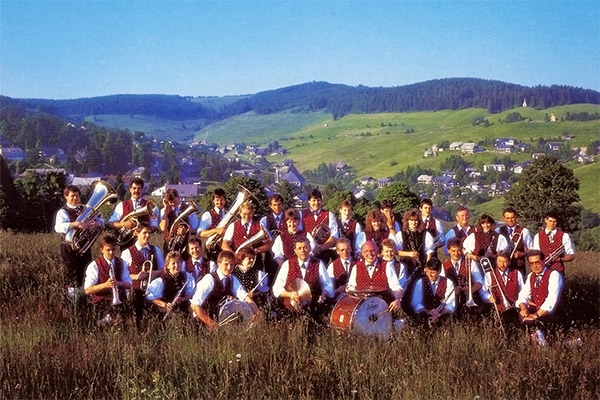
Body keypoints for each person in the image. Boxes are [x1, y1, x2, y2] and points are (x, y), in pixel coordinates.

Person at [54, 184, 105, 296]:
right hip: (68, 248)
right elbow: (58, 227)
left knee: (86, 270)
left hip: (84, 247)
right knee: (72, 272)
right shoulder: (63, 212)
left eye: (77, 196)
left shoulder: (85, 209)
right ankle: (73, 298)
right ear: (66, 197)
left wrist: (97, 223)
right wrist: (75, 224)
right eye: (72, 196)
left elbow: (102, 220)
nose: (75, 198)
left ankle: (84, 295)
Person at [190, 250, 260, 331]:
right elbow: (194, 306)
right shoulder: (209, 279)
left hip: (220, 323)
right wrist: (210, 323)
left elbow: (245, 297)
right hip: (201, 323)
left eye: (232, 265)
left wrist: (257, 313)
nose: (229, 268)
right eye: (226, 264)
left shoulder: (232, 279)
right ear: (219, 263)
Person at [272, 236, 334, 318]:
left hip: (313, 310)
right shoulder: (287, 264)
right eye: (299, 248)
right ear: (295, 251)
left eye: (305, 247)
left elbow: (328, 283)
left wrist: (324, 292)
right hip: (290, 310)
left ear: (309, 249)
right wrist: (290, 295)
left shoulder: (318, 263)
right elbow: (277, 287)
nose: (302, 251)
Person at [120, 223, 165, 328]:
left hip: (153, 289)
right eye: (144, 233)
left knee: (157, 319)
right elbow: (122, 275)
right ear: (136, 233)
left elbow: (163, 269)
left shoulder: (156, 250)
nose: (147, 236)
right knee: (137, 317)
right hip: (135, 290)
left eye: (149, 233)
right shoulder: (127, 252)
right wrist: (136, 277)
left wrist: (155, 273)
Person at [516, 250, 564, 345]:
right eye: (531, 264)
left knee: (530, 322)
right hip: (540, 312)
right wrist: (523, 308)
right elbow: (523, 294)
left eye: (537, 262)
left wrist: (535, 315)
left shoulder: (554, 275)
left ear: (544, 261)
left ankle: (544, 348)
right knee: (515, 315)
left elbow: (551, 301)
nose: (535, 266)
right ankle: (533, 342)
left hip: (554, 314)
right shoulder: (531, 276)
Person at [83, 235, 132, 325]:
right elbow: (87, 290)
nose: (111, 252)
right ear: (101, 249)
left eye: (113, 249)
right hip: (101, 305)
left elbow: (129, 284)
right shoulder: (94, 265)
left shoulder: (121, 263)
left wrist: (118, 283)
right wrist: (104, 285)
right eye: (108, 250)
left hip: (120, 304)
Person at [346, 240, 403, 314]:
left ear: (377, 251)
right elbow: (351, 287)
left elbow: (396, 287)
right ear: (362, 253)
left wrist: (397, 299)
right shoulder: (356, 267)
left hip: (383, 308)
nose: (370, 254)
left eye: (373, 251)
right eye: (366, 251)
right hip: (362, 308)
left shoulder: (387, 265)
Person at [107, 177, 158, 250]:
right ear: (130, 189)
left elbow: (154, 225)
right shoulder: (122, 205)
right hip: (126, 245)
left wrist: (142, 230)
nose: (136, 191)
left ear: (142, 190)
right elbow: (110, 223)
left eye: (139, 188)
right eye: (134, 188)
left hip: (143, 244)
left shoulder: (150, 205)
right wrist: (124, 224)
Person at [222, 201, 272, 274]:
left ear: (253, 213)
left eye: (250, 214)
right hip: (237, 264)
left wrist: (257, 250)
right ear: (239, 213)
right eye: (244, 214)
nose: (247, 217)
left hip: (255, 263)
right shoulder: (233, 226)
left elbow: (269, 243)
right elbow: (224, 244)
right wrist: (234, 255)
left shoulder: (260, 225)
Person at [441, 237, 489, 311]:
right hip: (453, 299)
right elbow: (442, 286)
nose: (456, 253)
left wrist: (470, 290)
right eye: (453, 251)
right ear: (448, 251)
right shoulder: (444, 266)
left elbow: (479, 281)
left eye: (459, 250)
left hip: (470, 296)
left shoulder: (470, 262)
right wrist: (453, 290)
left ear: (462, 250)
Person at [146, 251, 195, 320]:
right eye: (173, 263)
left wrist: (182, 299)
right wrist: (165, 305)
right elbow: (152, 298)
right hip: (166, 314)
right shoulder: (161, 281)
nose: (176, 266)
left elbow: (191, 294)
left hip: (183, 313)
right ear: (168, 266)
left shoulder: (187, 277)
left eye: (178, 262)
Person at [484, 252, 524, 328]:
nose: (502, 264)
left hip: (514, 309)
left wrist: (521, 304)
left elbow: (523, 291)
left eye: (505, 261)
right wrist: (489, 297)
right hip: (498, 310)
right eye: (500, 261)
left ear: (509, 262)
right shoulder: (489, 274)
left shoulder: (517, 273)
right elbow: (483, 291)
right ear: (496, 262)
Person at [410, 258, 456, 325]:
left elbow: (451, 303)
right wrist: (428, 312)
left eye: (433, 272)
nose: (429, 275)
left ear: (439, 271)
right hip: (425, 313)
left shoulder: (448, 282)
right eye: (428, 272)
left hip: (441, 313)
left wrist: (439, 314)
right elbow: (416, 303)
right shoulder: (420, 282)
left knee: (447, 319)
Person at [302, 188, 339, 264]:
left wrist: (321, 248)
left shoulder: (329, 215)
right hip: (306, 253)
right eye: (313, 200)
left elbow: (334, 236)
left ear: (321, 201)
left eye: (318, 200)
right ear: (309, 201)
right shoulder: (301, 214)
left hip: (324, 253)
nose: (316, 203)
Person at [159, 188, 199, 258]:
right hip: (169, 245)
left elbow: (195, 229)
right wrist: (165, 210)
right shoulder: (164, 210)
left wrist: (186, 231)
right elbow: (163, 228)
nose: (172, 204)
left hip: (186, 245)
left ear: (178, 197)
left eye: (174, 201)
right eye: (170, 202)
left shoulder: (189, 209)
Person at [395, 208, 435, 277]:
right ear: (407, 221)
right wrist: (409, 254)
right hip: (405, 266)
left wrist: (427, 266)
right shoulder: (400, 234)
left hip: (421, 265)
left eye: (416, 220)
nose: (413, 223)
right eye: (411, 220)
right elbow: (396, 251)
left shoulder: (425, 234)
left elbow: (429, 252)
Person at [496, 207, 532, 276]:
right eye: (507, 218)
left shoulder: (524, 231)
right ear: (504, 218)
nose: (510, 220)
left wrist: (521, 254)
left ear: (516, 217)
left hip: (518, 266)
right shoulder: (498, 231)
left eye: (512, 217)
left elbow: (531, 249)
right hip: (502, 266)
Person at [197, 188, 228, 261]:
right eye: (217, 200)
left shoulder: (228, 214)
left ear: (225, 200)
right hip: (211, 251)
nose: (219, 202)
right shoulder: (207, 215)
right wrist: (216, 230)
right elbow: (200, 233)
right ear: (213, 201)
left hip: (225, 250)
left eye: (222, 200)